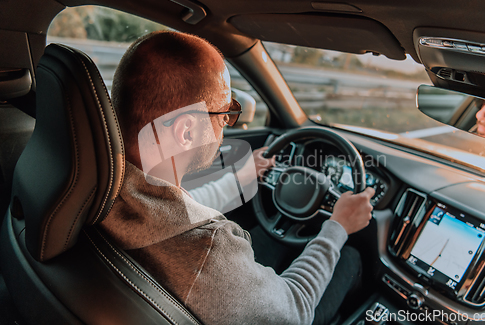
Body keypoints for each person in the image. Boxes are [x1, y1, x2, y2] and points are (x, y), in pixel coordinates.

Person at [100, 30, 374, 325]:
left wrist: (242, 178)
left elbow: (175, 213)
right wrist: (337, 228)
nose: (227, 123)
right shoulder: (209, 249)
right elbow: (295, 309)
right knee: (350, 260)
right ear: (187, 131)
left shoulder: (100, 185)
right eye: (225, 112)